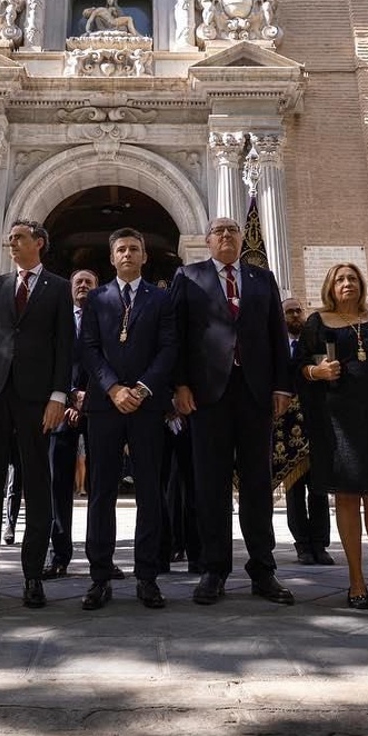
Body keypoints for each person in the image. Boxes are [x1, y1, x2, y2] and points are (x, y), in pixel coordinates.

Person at [170, 216, 295, 606]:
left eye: (232, 231)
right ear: (207, 241)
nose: (226, 235)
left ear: (242, 239)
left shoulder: (263, 279)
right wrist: (180, 384)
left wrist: (282, 385)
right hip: (208, 394)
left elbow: (277, 332)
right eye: (219, 231)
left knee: (258, 483)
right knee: (211, 484)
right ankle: (213, 569)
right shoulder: (188, 277)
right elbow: (176, 333)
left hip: (255, 392)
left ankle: (263, 568)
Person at [0, 219, 74, 609]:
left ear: (39, 243)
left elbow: (64, 346)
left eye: (19, 238)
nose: (12, 243)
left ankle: (32, 577)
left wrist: (59, 396)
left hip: (37, 399)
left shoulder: (58, 288)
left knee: (37, 487)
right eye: (10, 238)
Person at [293, 263, 368, 611]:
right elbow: (298, 366)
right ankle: (356, 580)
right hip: (337, 422)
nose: (346, 284)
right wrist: (316, 371)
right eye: (339, 279)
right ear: (329, 288)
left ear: (361, 285)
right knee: (347, 498)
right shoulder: (317, 323)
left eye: (352, 279)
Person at [77, 227, 178, 610]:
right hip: (105, 406)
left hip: (147, 406)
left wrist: (141, 389)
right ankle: (99, 576)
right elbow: (87, 348)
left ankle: (147, 576)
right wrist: (112, 389)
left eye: (135, 248)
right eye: (121, 249)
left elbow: (169, 348)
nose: (128, 254)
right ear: (112, 257)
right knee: (101, 491)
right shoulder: (97, 298)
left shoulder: (161, 299)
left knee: (150, 490)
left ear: (144, 256)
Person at [47, 268, 99, 579]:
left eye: (88, 282)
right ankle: (59, 555)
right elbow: (49, 360)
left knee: (100, 487)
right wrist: (68, 396)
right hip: (61, 410)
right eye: (77, 281)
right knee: (59, 486)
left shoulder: (107, 317)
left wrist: (87, 398)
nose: (82, 286)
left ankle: (100, 556)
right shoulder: (58, 320)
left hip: (98, 411)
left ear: (97, 288)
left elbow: (112, 360)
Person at [279, 297, 333, 566]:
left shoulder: (316, 343)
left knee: (320, 486)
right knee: (294, 489)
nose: (295, 315)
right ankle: (302, 543)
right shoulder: (276, 347)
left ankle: (321, 543)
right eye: (289, 312)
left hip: (315, 419)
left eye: (298, 310)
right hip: (286, 427)